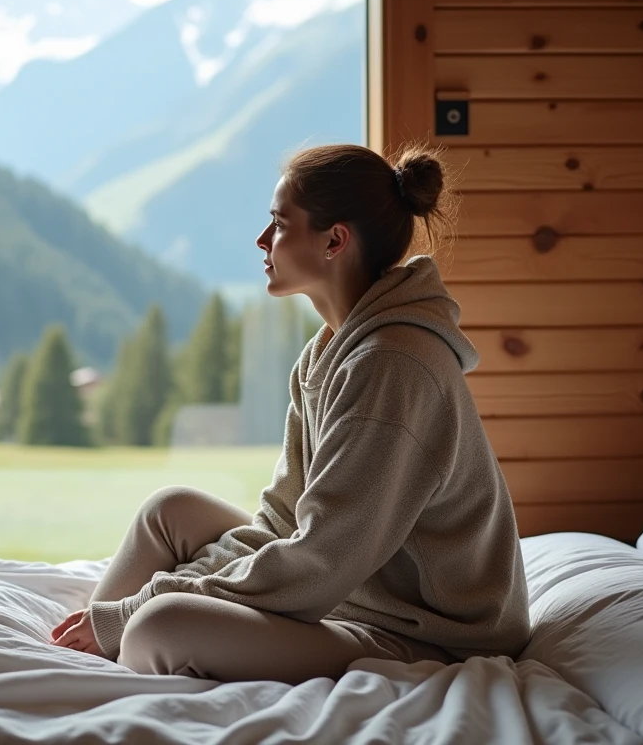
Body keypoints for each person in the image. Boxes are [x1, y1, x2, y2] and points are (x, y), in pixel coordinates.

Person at [49, 144, 531, 684]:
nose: (262, 240)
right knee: (170, 511)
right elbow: (283, 521)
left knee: (159, 626)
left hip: (426, 632)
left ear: (334, 240)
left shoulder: (392, 367)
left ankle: (107, 651)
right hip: (355, 586)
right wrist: (140, 604)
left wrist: (148, 604)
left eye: (279, 223)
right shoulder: (327, 353)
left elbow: (322, 557)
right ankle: (89, 648)